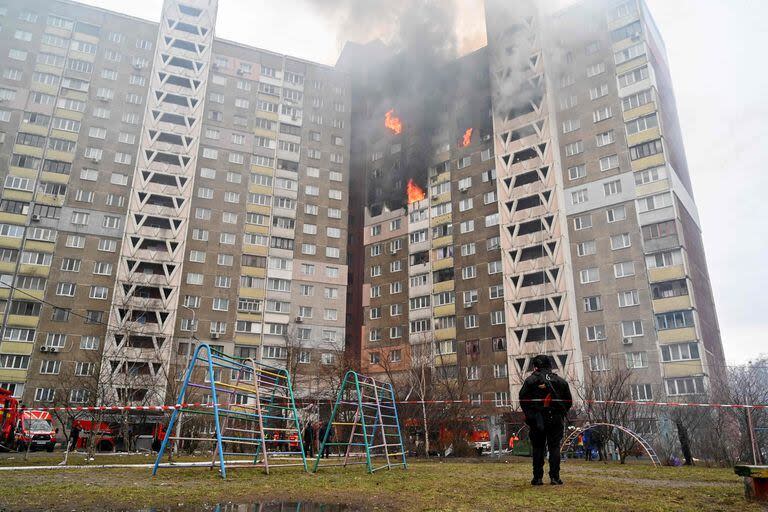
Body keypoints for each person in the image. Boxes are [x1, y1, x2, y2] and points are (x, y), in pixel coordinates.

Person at [519, 354, 572, 486]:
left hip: (537, 420)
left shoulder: (530, 381)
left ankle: (537, 478)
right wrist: (560, 412)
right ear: (550, 366)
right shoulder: (560, 381)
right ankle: (555, 477)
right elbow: (568, 401)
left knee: (538, 448)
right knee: (554, 448)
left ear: (536, 366)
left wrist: (531, 416)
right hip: (555, 419)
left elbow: (522, 399)